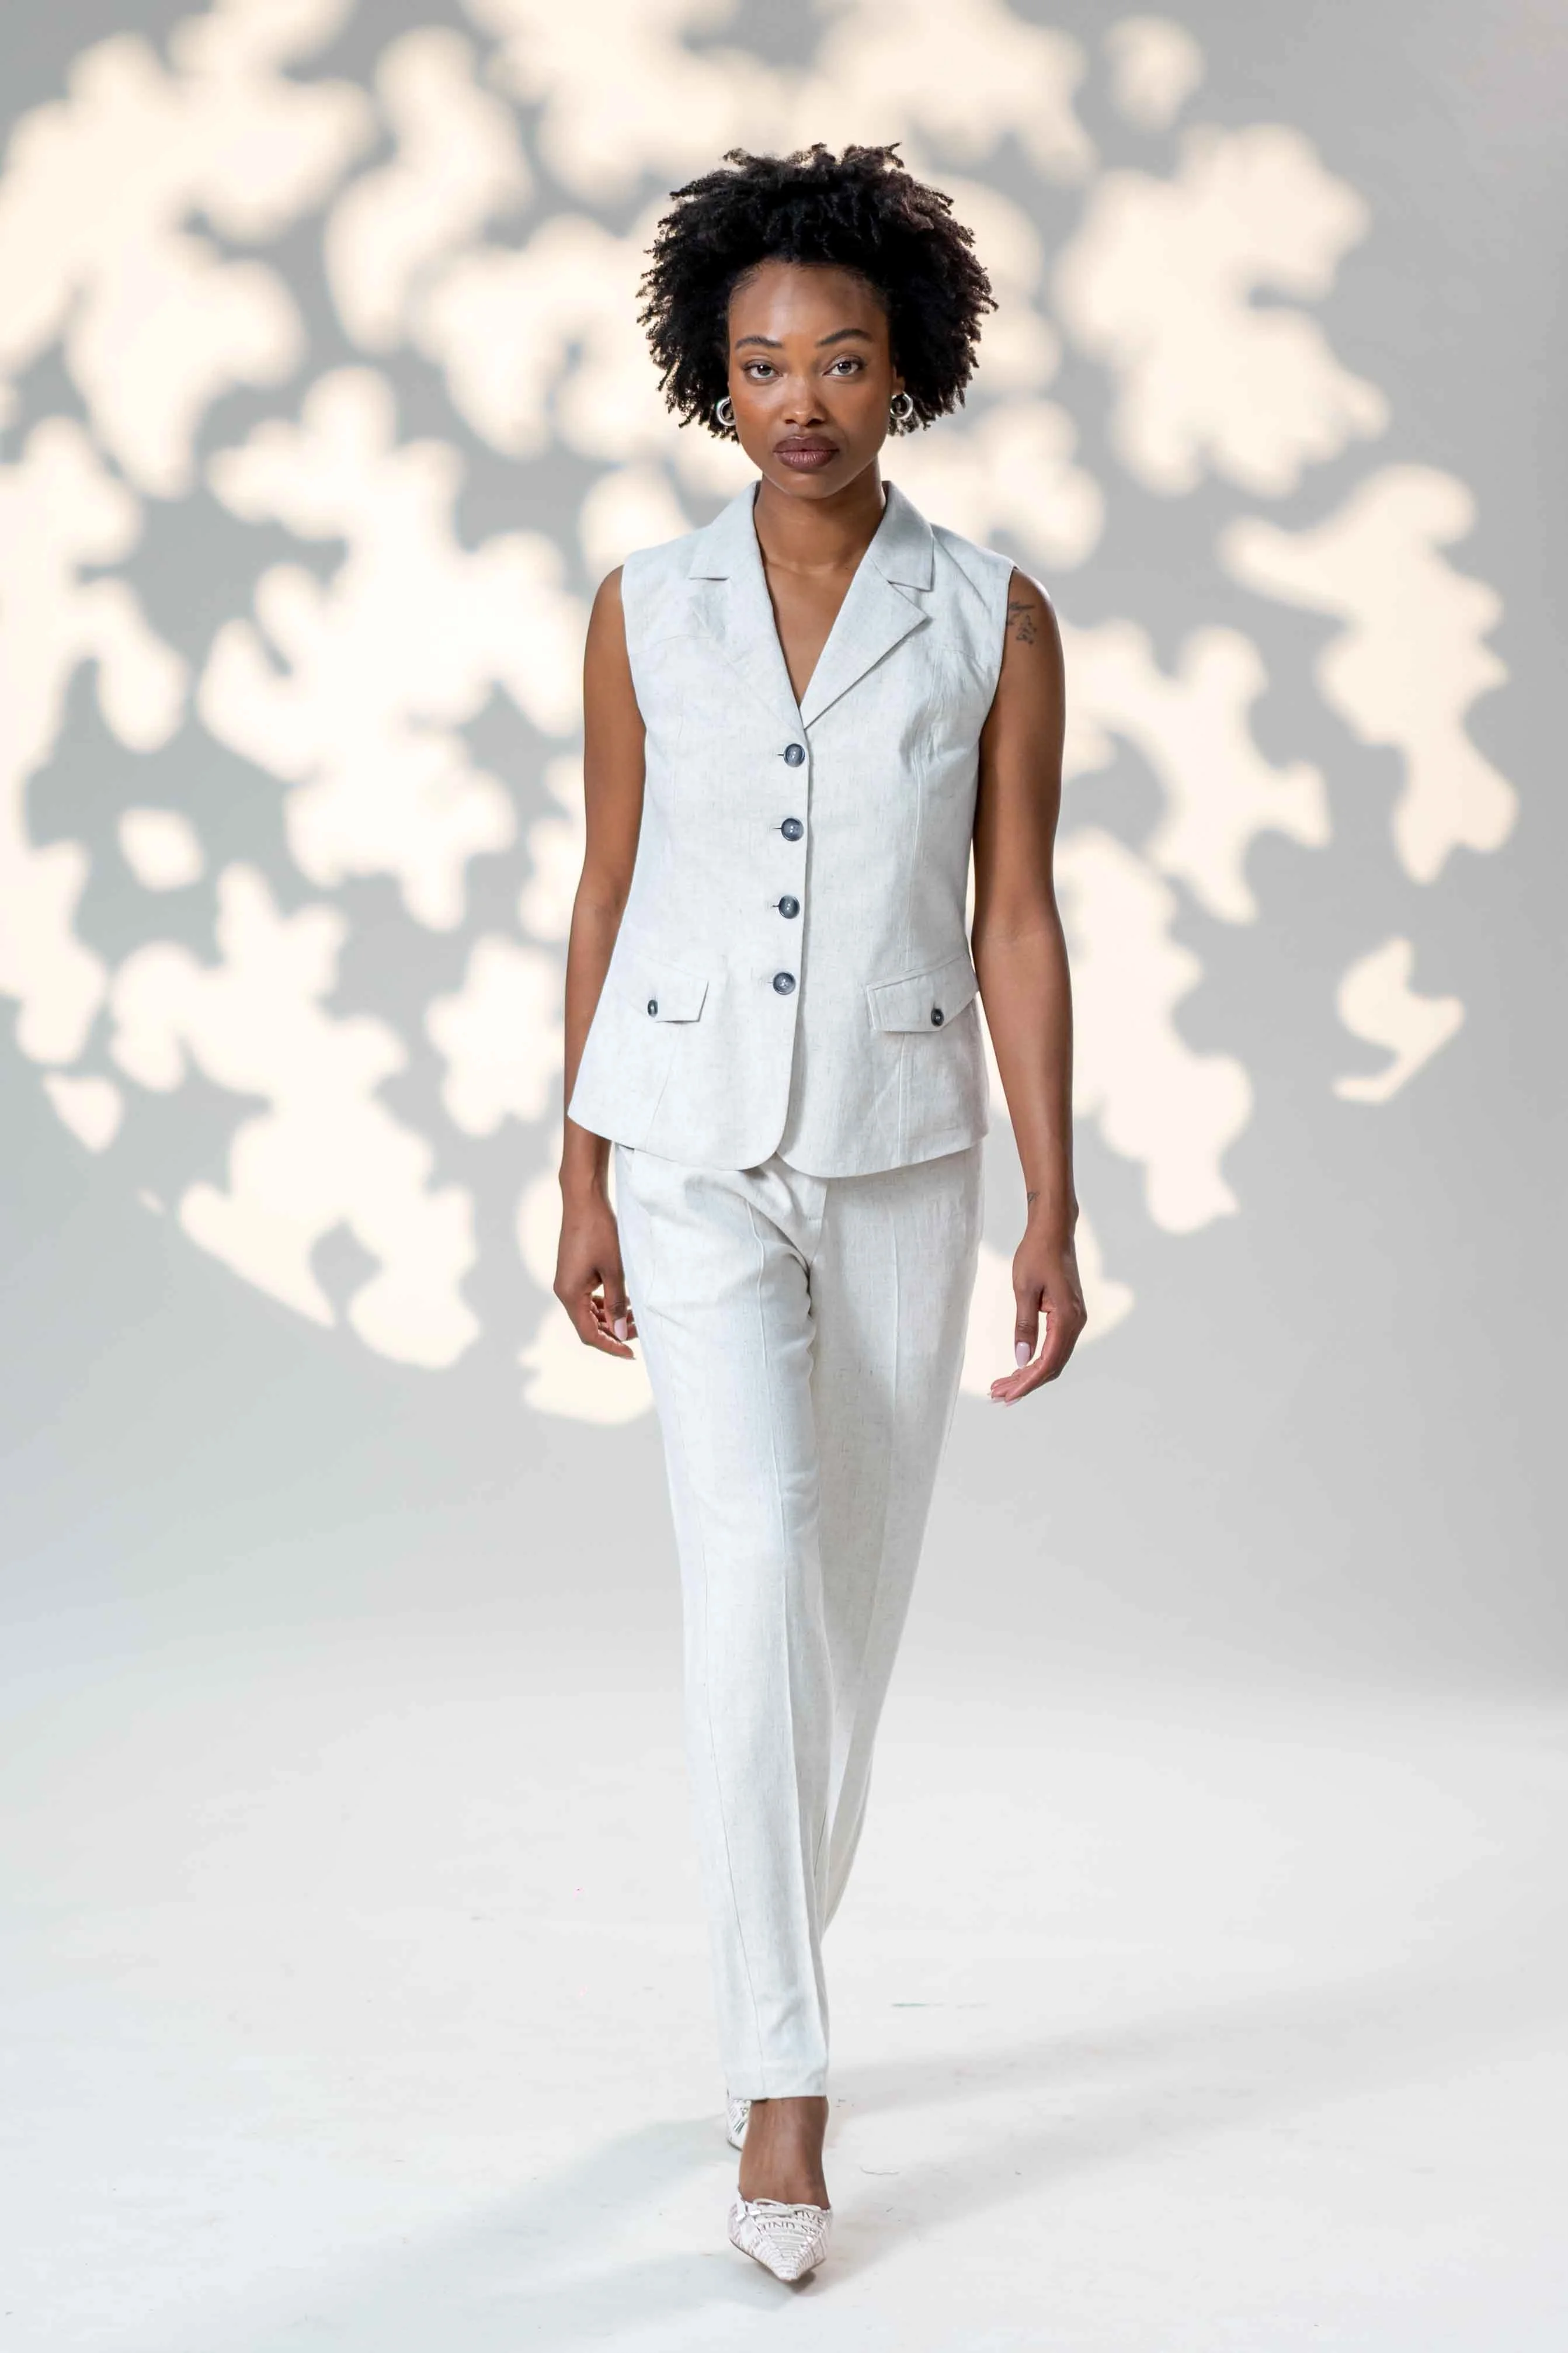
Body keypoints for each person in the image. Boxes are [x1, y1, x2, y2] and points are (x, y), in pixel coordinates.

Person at [554, 141, 1084, 2283]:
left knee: (846, 1620)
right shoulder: (641, 608)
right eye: (762, 361)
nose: (800, 401)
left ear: (907, 371)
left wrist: (1054, 1198)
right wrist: (577, 1164)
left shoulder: (992, 616)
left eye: (842, 360)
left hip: (895, 1141)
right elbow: (606, 883)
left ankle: (768, 1960)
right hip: (684, 1140)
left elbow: (1015, 914)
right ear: (711, 372)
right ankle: (782, 2066)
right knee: (755, 1553)